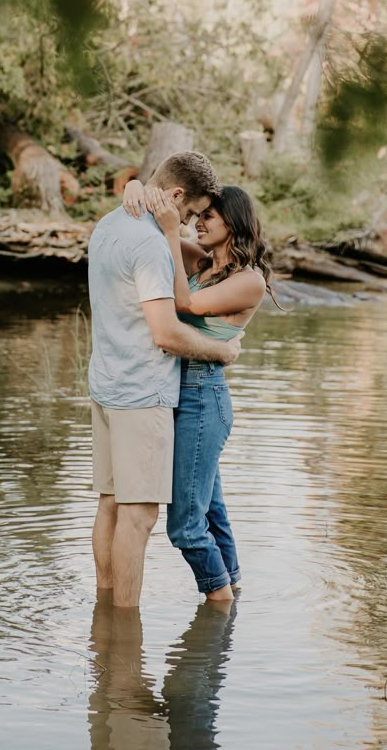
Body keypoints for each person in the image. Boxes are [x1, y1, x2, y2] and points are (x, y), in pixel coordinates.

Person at [88, 153, 244, 609]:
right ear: (175, 198)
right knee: (138, 517)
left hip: (105, 385)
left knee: (111, 504)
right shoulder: (152, 245)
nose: (192, 222)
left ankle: (105, 611)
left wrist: (136, 186)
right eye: (192, 212)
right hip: (141, 393)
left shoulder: (107, 226)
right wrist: (222, 351)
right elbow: (165, 332)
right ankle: (124, 632)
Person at [123, 180, 271, 601]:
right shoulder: (202, 262)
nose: (198, 222)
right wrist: (136, 185)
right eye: (197, 214)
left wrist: (175, 233)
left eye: (208, 215)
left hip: (203, 399)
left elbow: (183, 304)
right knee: (211, 512)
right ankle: (232, 593)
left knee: (185, 526)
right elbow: (153, 227)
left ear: (234, 221)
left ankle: (218, 604)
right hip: (180, 394)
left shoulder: (250, 281)